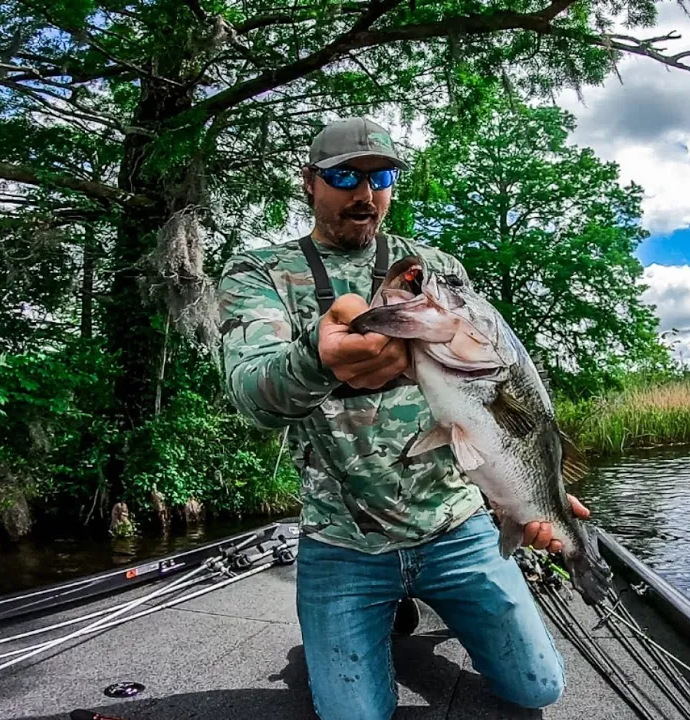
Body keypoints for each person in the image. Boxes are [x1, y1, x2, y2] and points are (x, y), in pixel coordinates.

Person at [216, 116, 590, 720]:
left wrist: (517, 493)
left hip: (455, 524)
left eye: (380, 176)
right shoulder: (257, 273)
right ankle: (368, 619)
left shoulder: (434, 268)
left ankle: (414, 601)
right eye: (344, 177)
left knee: (538, 687)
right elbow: (254, 398)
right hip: (343, 540)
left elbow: (495, 384)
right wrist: (319, 356)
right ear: (309, 182)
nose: (365, 195)